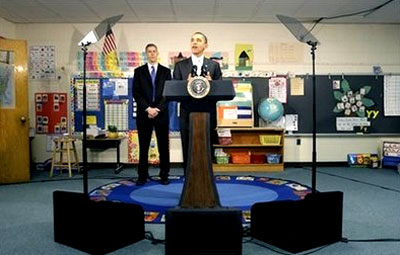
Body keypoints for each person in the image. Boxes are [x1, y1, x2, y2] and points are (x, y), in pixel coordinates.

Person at [173, 32, 222, 173]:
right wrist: (185, 85)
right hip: (187, 113)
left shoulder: (214, 66)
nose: (194, 43)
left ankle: (207, 180)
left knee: (206, 148)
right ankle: (188, 178)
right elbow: (174, 91)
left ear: (205, 45)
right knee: (188, 148)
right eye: (192, 40)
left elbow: (220, 91)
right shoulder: (180, 66)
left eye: (198, 40)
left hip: (208, 113)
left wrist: (212, 85)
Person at [133, 43, 171, 185]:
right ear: (146, 54)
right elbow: (136, 93)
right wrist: (148, 109)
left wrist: (157, 109)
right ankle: (142, 176)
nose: (152, 54)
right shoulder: (139, 71)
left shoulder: (166, 72)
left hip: (161, 114)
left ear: (157, 53)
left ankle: (164, 175)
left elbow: (168, 94)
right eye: (149, 52)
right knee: (143, 146)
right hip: (144, 114)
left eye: (154, 51)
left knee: (163, 146)